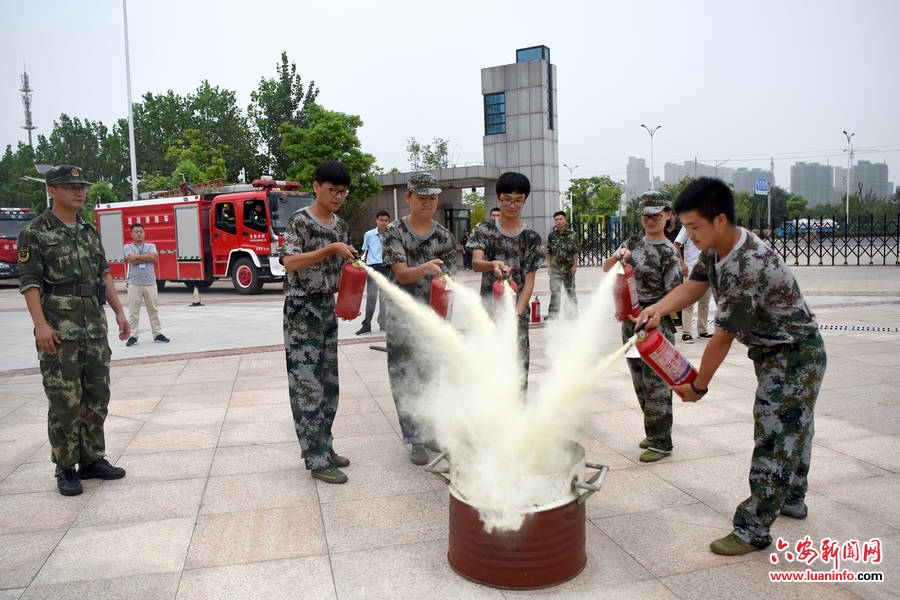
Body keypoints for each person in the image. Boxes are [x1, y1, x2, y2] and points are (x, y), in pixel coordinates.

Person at [636, 177, 827, 556]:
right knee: (794, 427)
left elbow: (722, 336)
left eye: (693, 227)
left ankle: (753, 528)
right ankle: (791, 497)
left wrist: (698, 386)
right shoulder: (716, 248)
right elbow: (693, 287)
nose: (688, 235)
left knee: (774, 435)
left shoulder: (747, 264)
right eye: (685, 227)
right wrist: (658, 308)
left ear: (719, 219)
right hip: (776, 351)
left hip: (794, 354)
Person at [17, 165, 131, 496]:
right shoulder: (35, 232)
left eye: (81, 186)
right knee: (65, 400)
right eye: (70, 187)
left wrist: (120, 312)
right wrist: (40, 325)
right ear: (52, 191)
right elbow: (30, 283)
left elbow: (104, 273)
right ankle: (65, 467)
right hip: (59, 329)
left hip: (93, 327)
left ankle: (92, 458)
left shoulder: (87, 230)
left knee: (97, 395)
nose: (79, 192)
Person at [280, 160, 357, 484]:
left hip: (327, 309)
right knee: (307, 386)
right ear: (316, 186)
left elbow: (341, 267)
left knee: (329, 385)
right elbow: (289, 261)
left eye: (343, 192)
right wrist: (329, 250)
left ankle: (324, 445)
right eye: (332, 190)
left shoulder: (340, 226)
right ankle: (316, 458)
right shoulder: (300, 222)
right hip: (301, 310)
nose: (338, 197)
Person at [382, 173, 458, 465]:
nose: (427, 203)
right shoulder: (394, 232)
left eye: (432, 197)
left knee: (432, 378)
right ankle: (414, 438)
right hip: (402, 320)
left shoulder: (445, 237)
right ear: (408, 197)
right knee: (404, 378)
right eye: (421, 197)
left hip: (433, 320)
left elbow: (449, 282)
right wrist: (425, 268)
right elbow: (401, 274)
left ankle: (431, 433)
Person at [602, 191, 682, 463]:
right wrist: (618, 257)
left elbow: (675, 295)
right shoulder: (632, 242)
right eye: (646, 215)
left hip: (656, 326)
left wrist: (654, 313)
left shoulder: (669, 252)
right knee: (640, 382)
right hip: (629, 323)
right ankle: (653, 427)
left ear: (668, 215)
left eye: (656, 215)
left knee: (657, 384)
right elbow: (606, 268)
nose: (650, 220)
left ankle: (662, 441)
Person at [467, 172, 543, 389]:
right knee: (488, 367)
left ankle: (517, 418)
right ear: (498, 198)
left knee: (518, 369)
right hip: (488, 312)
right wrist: (492, 264)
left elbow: (529, 282)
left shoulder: (532, 238)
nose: (513, 205)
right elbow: (476, 263)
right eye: (508, 199)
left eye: (518, 200)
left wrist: (516, 313)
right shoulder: (484, 230)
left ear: (525, 200)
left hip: (517, 314)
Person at [123, 223, 169, 346]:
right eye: (136, 232)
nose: (139, 234)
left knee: (153, 310)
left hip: (150, 283)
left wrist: (138, 257)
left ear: (144, 233)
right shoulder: (128, 247)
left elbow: (154, 257)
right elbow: (131, 259)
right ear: (131, 234)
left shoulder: (151, 245)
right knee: (133, 311)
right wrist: (145, 257)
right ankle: (133, 336)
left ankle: (157, 334)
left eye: (141, 231)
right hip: (134, 284)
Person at [674, 226, 712, 343]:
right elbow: (676, 244)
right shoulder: (688, 226)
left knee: (704, 303)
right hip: (691, 270)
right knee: (688, 303)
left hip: (707, 270)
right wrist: (682, 264)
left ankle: (702, 330)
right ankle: (686, 332)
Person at [356, 210, 391, 335]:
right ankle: (366, 325)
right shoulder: (369, 234)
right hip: (372, 268)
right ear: (377, 220)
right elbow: (364, 251)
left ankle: (383, 323)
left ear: (388, 221)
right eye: (381, 220)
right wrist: (359, 264)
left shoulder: (391, 234)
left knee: (384, 298)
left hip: (386, 268)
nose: (383, 223)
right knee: (371, 297)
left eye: (386, 220)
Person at [545, 210, 581, 319]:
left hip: (568, 269)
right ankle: (553, 315)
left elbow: (576, 251)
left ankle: (572, 314)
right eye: (556, 220)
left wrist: (575, 265)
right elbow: (548, 252)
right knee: (555, 292)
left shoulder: (573, 235)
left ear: (565, 220)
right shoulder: (552, 236)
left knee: (570, 292)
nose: (558, 221)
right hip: (555, 269)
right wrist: (549, 267)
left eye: (561, 219)